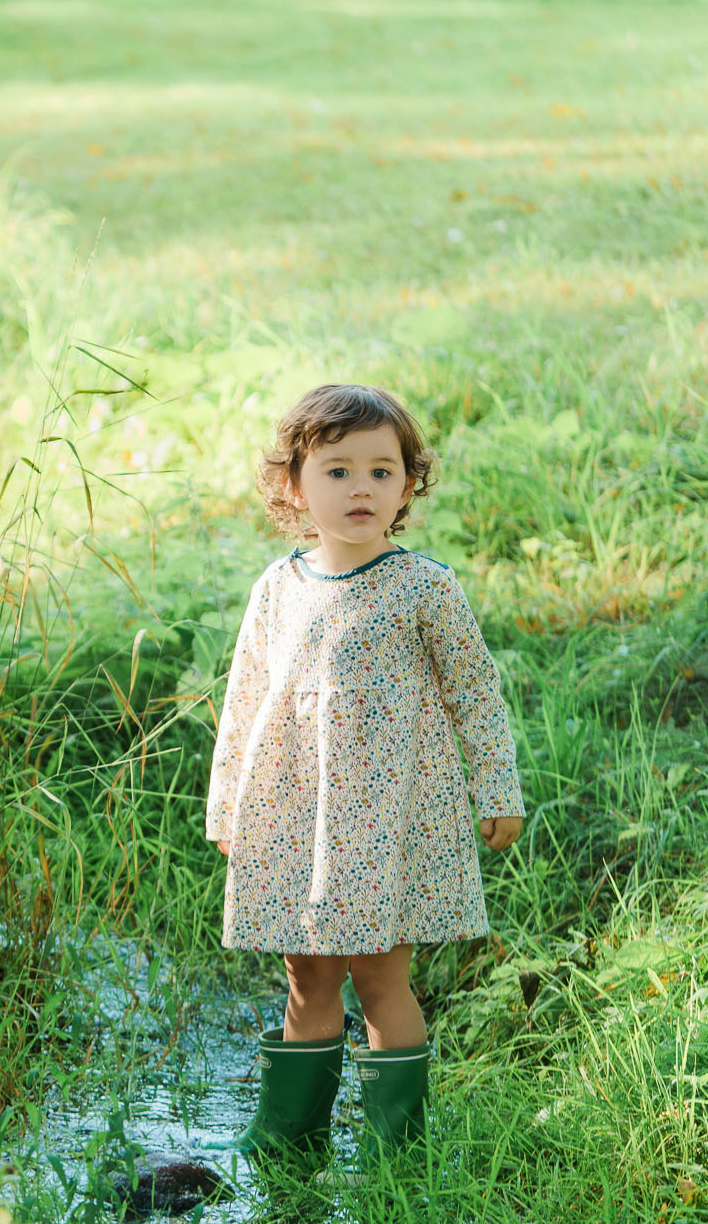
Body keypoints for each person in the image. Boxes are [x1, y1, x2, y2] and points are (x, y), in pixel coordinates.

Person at [205, 383, 525, 1167]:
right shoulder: (277, 588)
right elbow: (245, 699)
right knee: (307, 972)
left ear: (408, 485)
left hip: (392, 817)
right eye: (338, 471)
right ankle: (289, 1137)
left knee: (383, 975)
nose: (361, 489)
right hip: (295, 814)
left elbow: (475, 690)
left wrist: (499, 787)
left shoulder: (424, 588)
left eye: (382, 472)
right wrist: (226, 806)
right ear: (294, 485)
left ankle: (395, 1146)